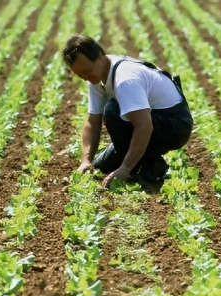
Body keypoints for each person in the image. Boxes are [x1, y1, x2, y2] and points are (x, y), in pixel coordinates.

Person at [62, 34, 193, 188]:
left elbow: (144, 125)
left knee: (112, 110)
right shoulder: (96, 77)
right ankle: (135, 162)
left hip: (175, 125)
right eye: (80, 75)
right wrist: (86, 160)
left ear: (99, 55)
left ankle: (152, 168)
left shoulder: (124, 79)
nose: (85, 77)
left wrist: (125, 169)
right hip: (152, 120)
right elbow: (92, 121)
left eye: (87, 70)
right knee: (98, 167)